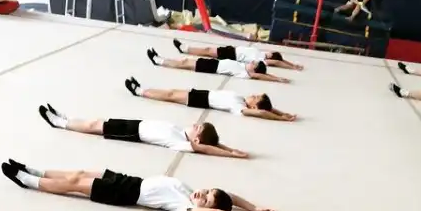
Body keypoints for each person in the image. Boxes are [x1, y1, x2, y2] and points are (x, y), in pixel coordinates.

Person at [1, 160, 277, 211]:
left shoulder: (184, 207)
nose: (201, 194)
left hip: (125, 193)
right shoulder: (190, 192)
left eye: (204, 198)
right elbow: (229, 197)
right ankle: (35, 170)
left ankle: (29, 181)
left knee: (75, 184)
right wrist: (255, 208)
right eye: (207, 190)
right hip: (131, 180)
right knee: (79, 172)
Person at [38, 103, 248, 159]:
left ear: (197, 140)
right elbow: (210, 144)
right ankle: (67, 119)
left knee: (95, 127)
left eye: (198, 128)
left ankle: (60, 123)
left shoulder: (182, 143)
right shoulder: (182, 132)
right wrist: (229, 148)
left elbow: (207, 149)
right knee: (97, 122)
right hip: (136, 124)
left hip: (133, 133)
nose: (195, 124)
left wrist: (230, 154)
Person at [124, 77, 297, 122]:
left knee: (170, 96)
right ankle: (143, 89)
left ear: (254, 106)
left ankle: (139, 91)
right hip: (204, 93)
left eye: (257, 97)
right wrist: (282, 113)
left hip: (202, 100)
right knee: (171, 92)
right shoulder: (242, 100)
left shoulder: (240, 107)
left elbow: (262, 113)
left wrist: (280, 118)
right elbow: (266, 109)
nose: (254, 94)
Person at [146, 48, 291, 84]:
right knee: (185, 61)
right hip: (214, 63)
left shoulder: (246, 73)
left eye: (255, 64)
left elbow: (262, 76)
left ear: (255, 70)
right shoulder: (244, 66)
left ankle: (159, 60)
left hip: (212, 67)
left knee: (184, 64)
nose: (252, 62)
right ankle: (161, 59)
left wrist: (278, 79)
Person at [172, 39, 304, 71]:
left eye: (272, 53)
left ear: (271, 57)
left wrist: (292, 67)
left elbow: (278, 62)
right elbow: (280, 59)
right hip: (232, 50)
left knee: (208, 50)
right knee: (208, 51)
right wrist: (292, 63)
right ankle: (186, 49)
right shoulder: (263, 53)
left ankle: (185, 49)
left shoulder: (263, 60)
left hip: (232, 55)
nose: (270, 51)